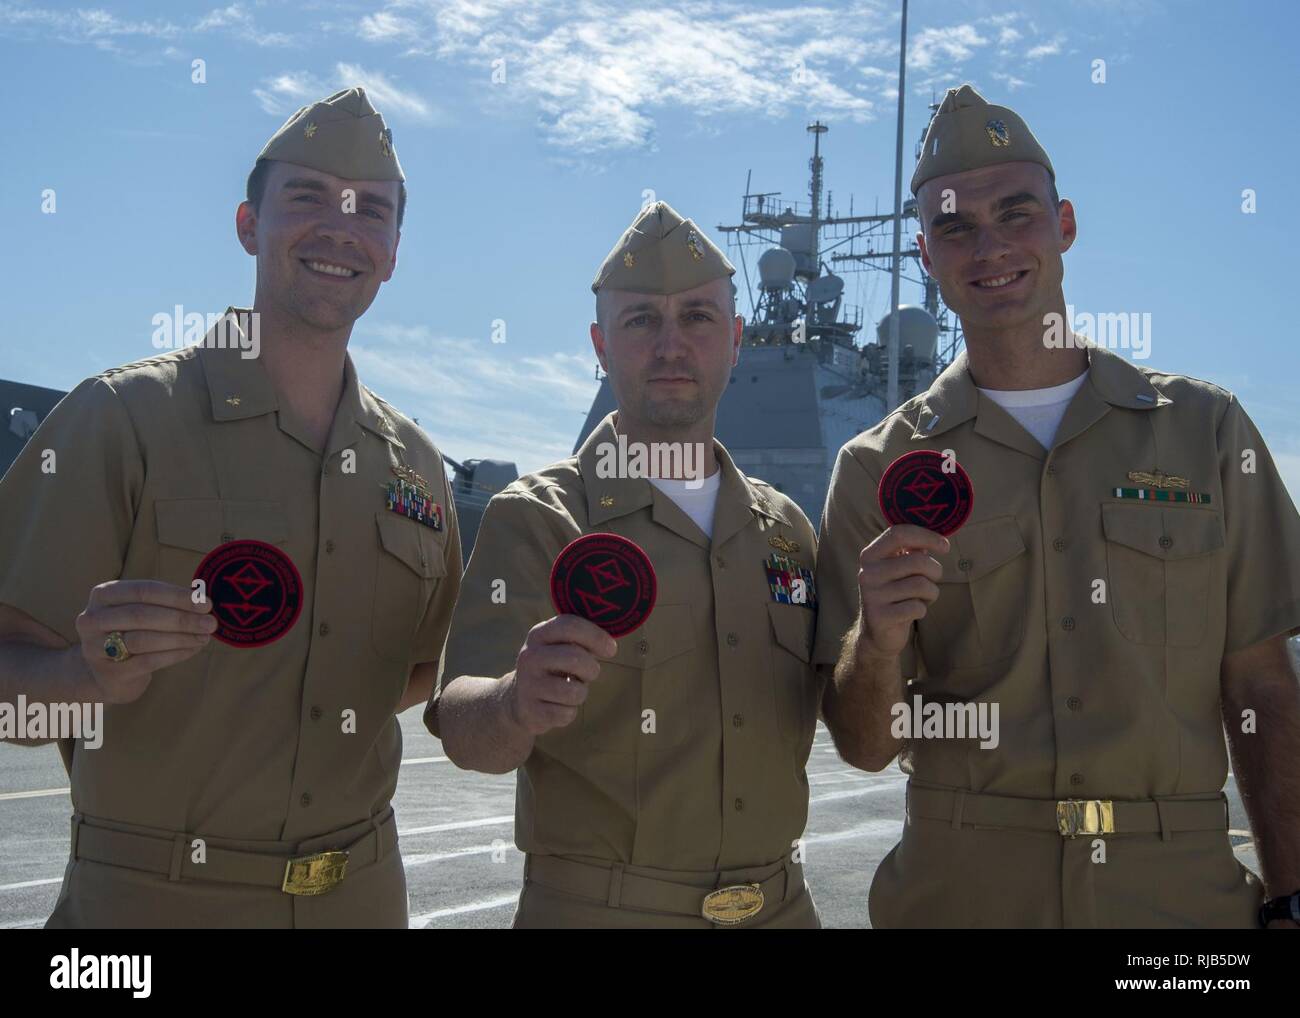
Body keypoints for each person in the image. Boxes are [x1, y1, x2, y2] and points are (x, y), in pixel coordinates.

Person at [815, 84, 1300, 928]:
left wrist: (1295, 891)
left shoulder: (1207, 432)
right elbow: (864, 744)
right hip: (962, 893)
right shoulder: (877, 468)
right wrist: (881, 641)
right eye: (955, 226)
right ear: (926, 257)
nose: (990, 246)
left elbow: (1261, 685)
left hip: (1177, 902)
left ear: (1065, 224)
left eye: (1016, 213)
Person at [0, 87, 462, 928]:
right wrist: (84, 673)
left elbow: (429, 669)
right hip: (145, 910)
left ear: (393, 252)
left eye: (372, 212)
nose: (340, 228)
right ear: (249, 225)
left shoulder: (419, 470)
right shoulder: (120, 421)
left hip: (361, 901)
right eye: (307, 197)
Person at [428, 201, 823, 928]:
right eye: (641, 320)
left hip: (780, 906)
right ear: (599, 346)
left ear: (736, 339)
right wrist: (515, 701)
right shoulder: (540, 518)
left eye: (699, 319)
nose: (672, 345)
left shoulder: (788, 532)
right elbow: (461, 725)